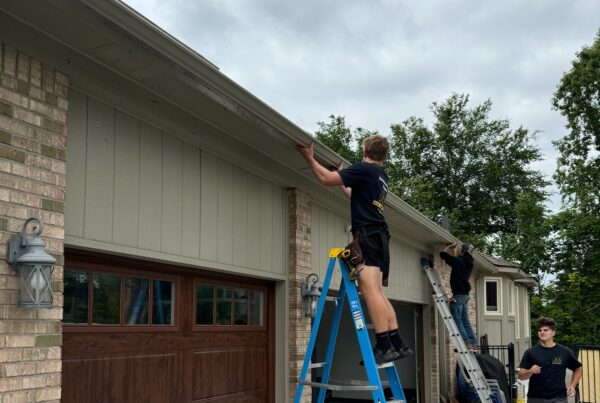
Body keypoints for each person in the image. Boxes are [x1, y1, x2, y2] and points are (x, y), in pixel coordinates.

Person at [297, 135, 411, 363]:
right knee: (377, 292)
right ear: (384, 155)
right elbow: (353, 193)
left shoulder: (364, 170)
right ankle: (397, 342)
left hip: (368, 235)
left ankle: (384, 345)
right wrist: (344, 178)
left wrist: (309, 157)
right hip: (380, 237)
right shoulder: (381, 176)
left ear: (365, 150)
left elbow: (325, 178)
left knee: (369, 292)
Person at [518, 317, 583, 403]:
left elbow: (578, 369)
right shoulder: (530, 352)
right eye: (540, 330)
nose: (542, 332)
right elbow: (521, 376)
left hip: (559, 397)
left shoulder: (564, 351)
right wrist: (530, 371)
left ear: (553, 333)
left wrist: (572, 385)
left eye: (545, 330)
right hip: (536, 398)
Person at [439, 242, 477, 350]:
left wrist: (448, 247)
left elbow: (442, 254)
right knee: (465, 319)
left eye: (460, 249)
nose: (459, 250)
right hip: (465, 295)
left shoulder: (458, 261)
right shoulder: (468, 262)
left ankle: (466, 342)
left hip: (458, 295)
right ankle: (473, 342)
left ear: (464, 251)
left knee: (457, 318)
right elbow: (457, 261)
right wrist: (455, 251)